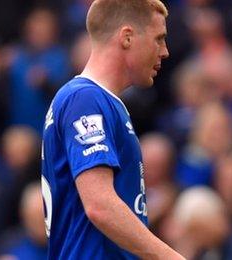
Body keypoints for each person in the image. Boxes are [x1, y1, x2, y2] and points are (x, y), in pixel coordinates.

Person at [40, 0, 183, 259]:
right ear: (127, 37)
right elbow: (100, 205)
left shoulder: (102, 102)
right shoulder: (85, 99)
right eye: (159, 39)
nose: (165, 51)